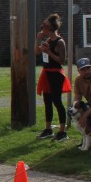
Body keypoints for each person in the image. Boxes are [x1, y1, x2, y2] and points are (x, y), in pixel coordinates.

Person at [35, 13, 71, 141]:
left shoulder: (59, 42)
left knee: (57, 101)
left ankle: (62, 131)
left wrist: (49, 52)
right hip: (47, 73)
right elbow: (37, 52)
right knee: (47, 101)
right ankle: (48, 129)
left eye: (43, 27)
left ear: (49, 28)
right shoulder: (48, 40)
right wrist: (38, 40)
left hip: (56, 73)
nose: (42, 29)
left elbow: (62, 60)